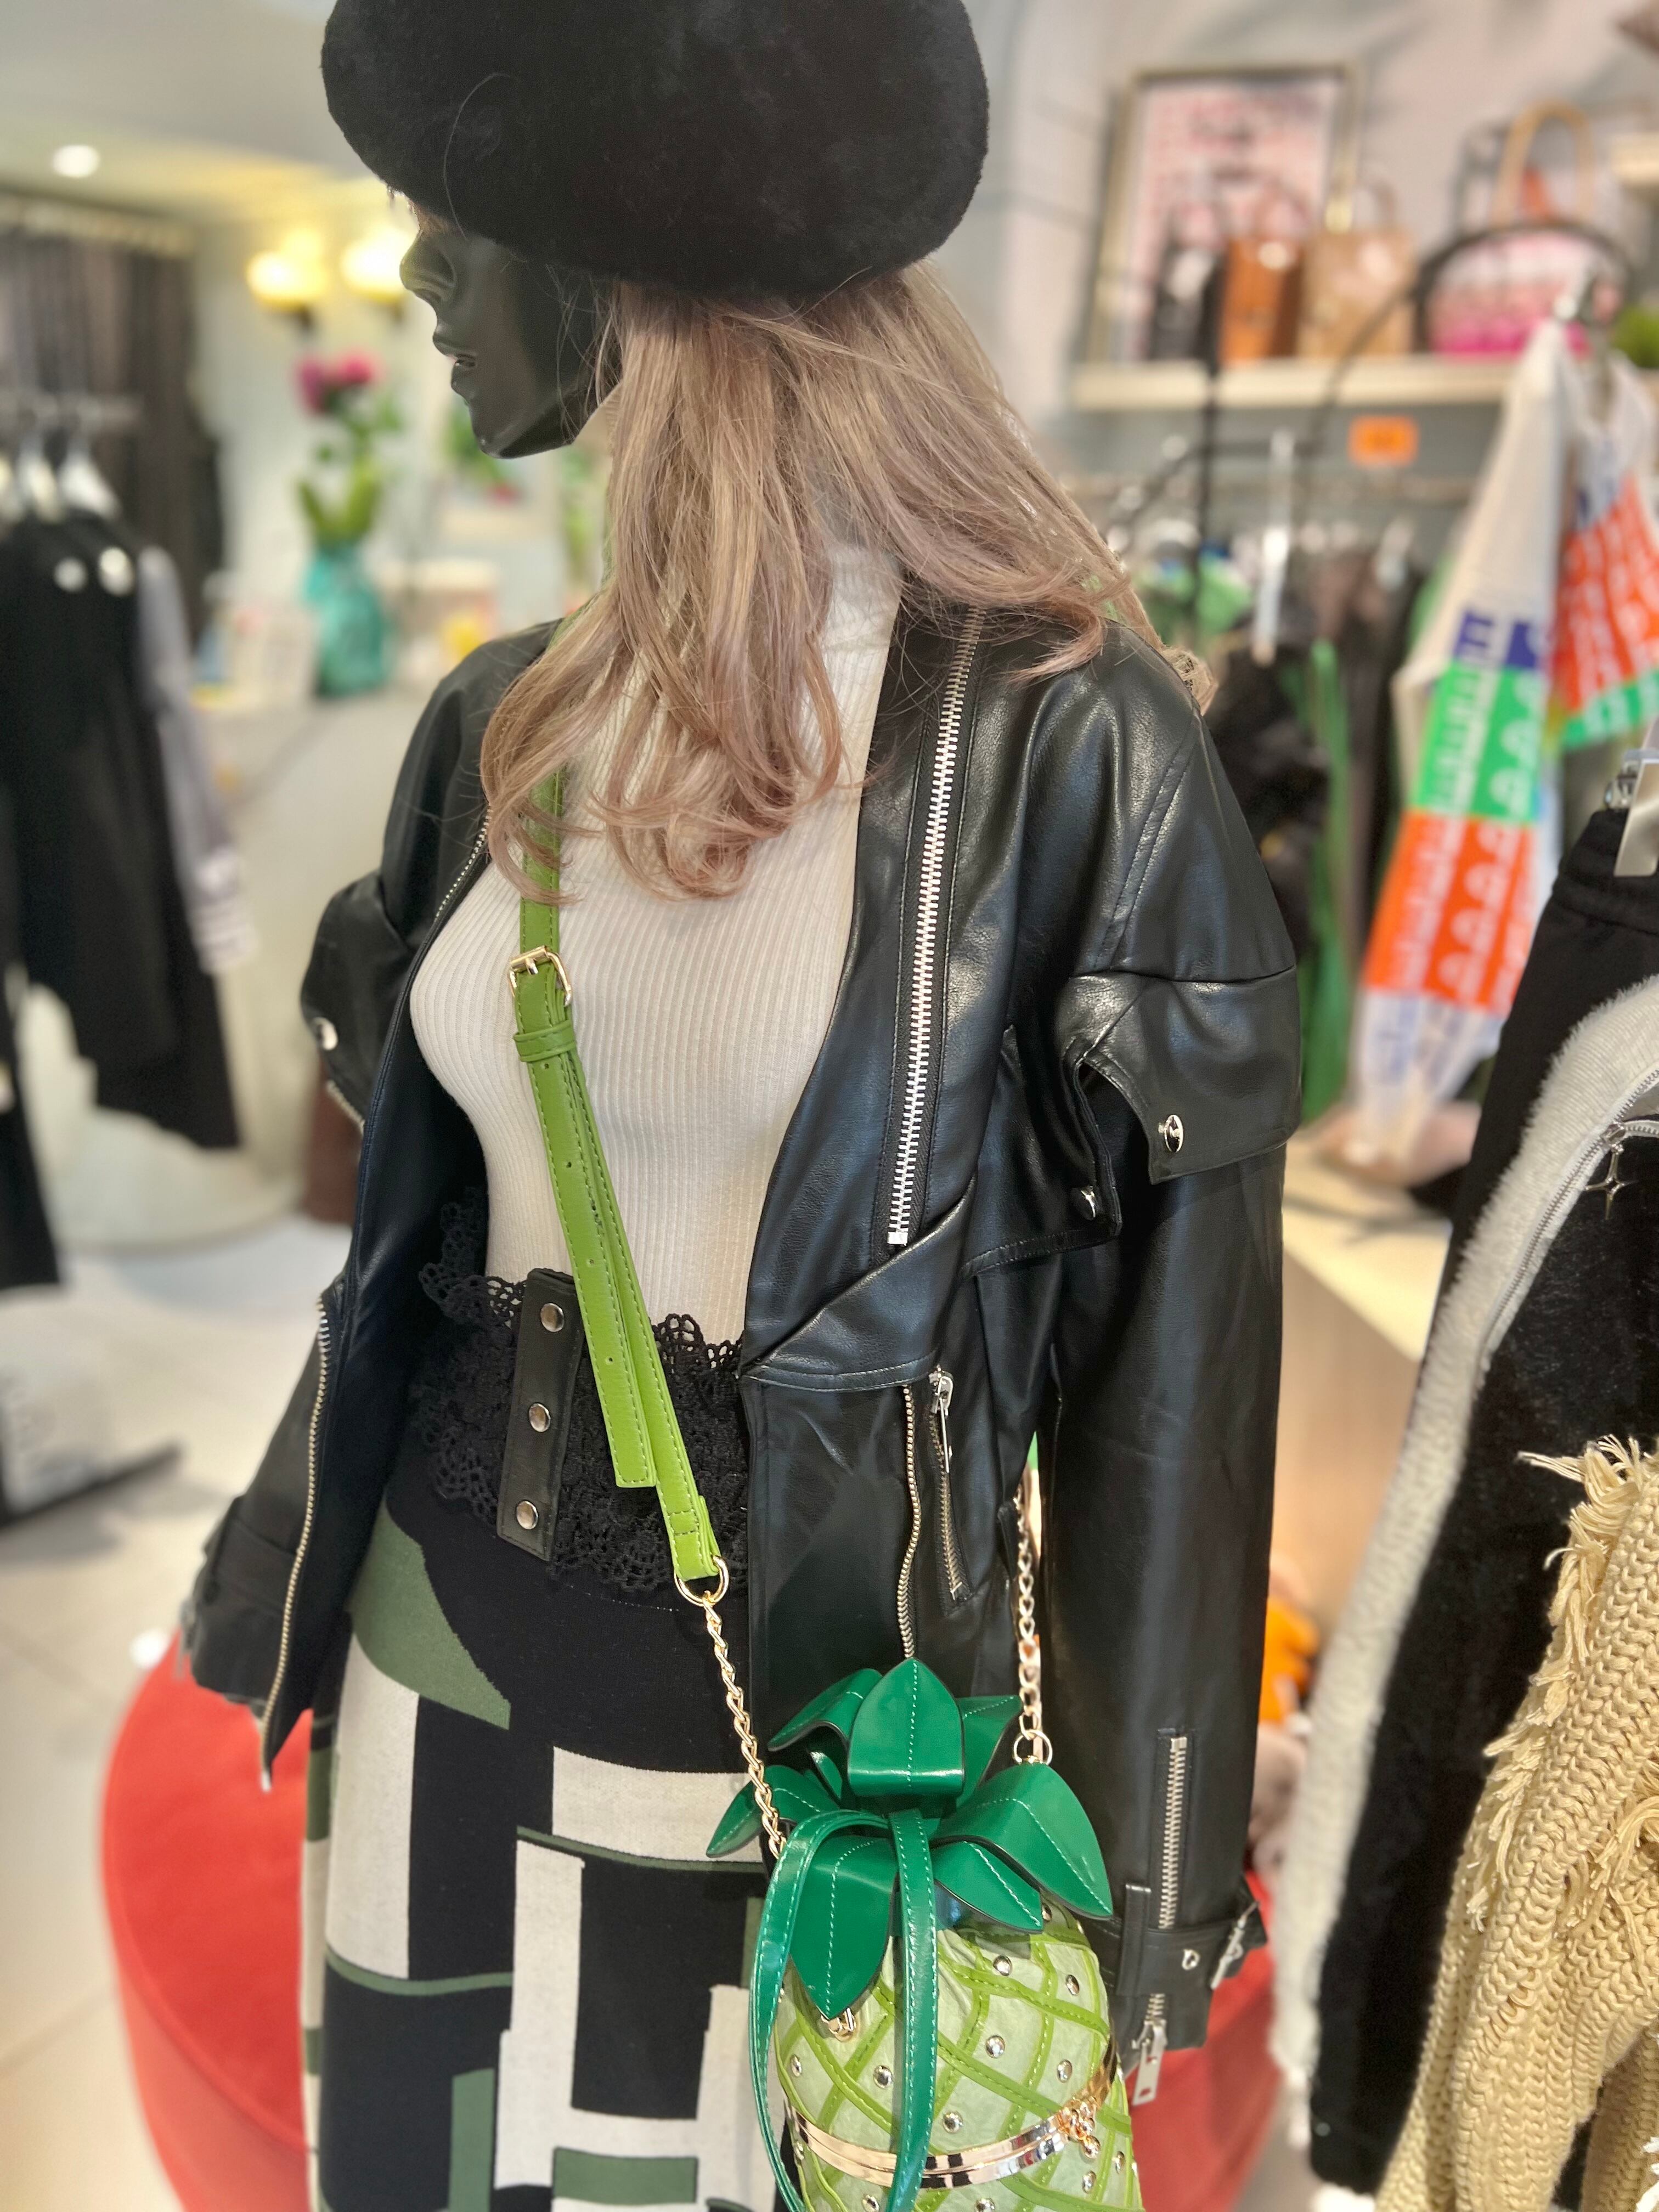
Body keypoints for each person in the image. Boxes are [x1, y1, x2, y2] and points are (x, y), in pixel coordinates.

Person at [183, 4, 1301, 2206]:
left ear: (621, 257)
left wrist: (1143, 1897)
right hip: (431, 1689)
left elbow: (1175, 1403)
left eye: (449, 210)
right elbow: (414, 1228)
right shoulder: (500, 723)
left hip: (822, 1800)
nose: (413, 270)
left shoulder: (1073, 755)